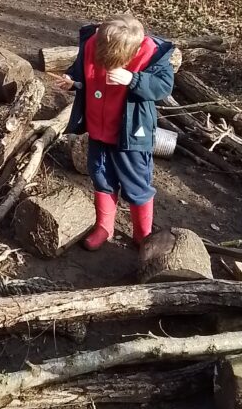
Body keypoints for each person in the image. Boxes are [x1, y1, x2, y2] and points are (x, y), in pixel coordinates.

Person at [59, 14, 181, 250]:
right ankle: (104, 227)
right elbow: (81, 71)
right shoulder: (93, 43)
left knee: (137, 183)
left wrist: (134, 79)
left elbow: (162, 88)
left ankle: (142, 235)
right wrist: (72, 81)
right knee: (101, 176)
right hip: (98, 129)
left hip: (131, 136)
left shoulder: (153, 54)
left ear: (130, 53)